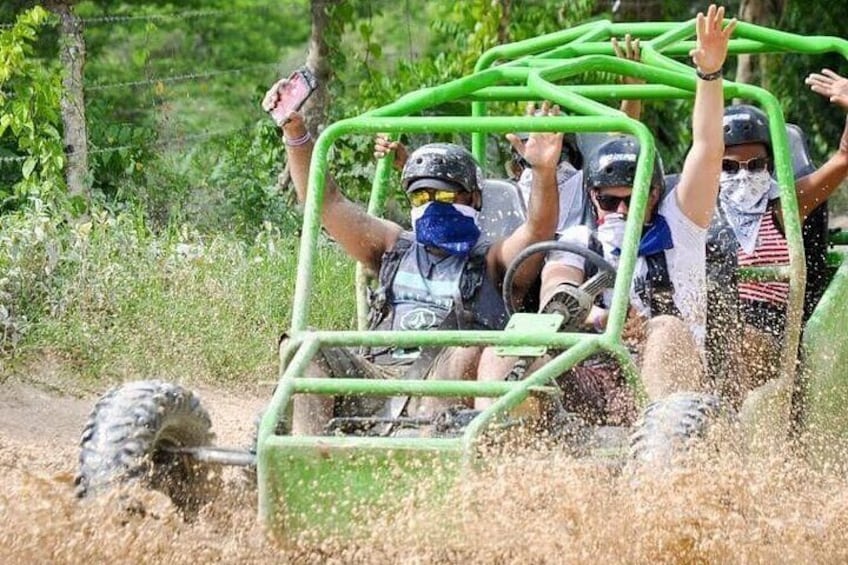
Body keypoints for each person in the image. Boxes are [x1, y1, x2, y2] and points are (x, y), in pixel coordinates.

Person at [477, 4, 736, 423]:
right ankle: (498, 455)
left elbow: (708, 149)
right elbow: (555, 297)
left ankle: (658, 468)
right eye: (608, 200)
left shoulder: (682, 221)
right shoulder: (581, 239)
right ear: (592, 196)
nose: (620, 210)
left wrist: (709, 75)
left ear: (654, 194)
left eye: (630, 199)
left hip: (677, 391)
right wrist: (597, 316)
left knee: (664, 329)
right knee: (511, 344)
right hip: (595, 372)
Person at [261, 84, 564, 434]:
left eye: (446, 194)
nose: (433, 203)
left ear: (475, 199)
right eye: (421, 195)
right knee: (305, 346)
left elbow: (538, 230)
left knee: (473, 345)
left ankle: (472, 457)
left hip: (443, 392)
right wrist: (294, 130)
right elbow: (327, 203)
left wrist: (543, 172)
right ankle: (304, 461)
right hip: (377, 382)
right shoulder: (393, 246)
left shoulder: (492, 261)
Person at [713, 70, 848, 401]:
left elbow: (845, 159)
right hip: (709, 324)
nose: (743, 176)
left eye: (755, 165)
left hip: (768, 329)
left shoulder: (785, 206)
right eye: (729, 167)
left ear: (770, 165)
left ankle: (725, 432)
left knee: (741, 344)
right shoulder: (695, 211)